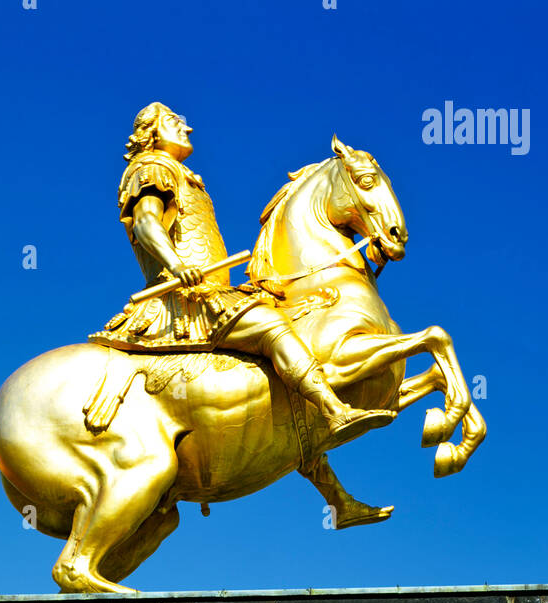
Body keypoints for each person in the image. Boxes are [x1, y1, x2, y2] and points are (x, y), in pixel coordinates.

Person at [92, 102, 377, 443]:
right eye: (173, 122)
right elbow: (146, 222)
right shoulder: (152, 168)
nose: (187, 127)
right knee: (272, 326)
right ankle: (333, 410)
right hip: (182, 300)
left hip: (208, 293)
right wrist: (177, 264)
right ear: (150, 135)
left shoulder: (181, 176)